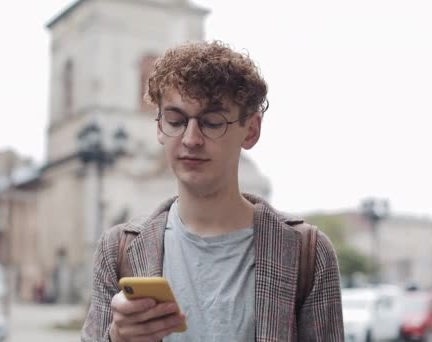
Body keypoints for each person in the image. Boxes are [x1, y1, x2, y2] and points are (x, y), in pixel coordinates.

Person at [82, 41, 344, 341]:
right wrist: (116, 338)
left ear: (251, 130)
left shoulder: (306, 252)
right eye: (176, 120)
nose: (191, 138)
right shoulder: (118, 249)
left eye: (213, 122)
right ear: (159, 127)